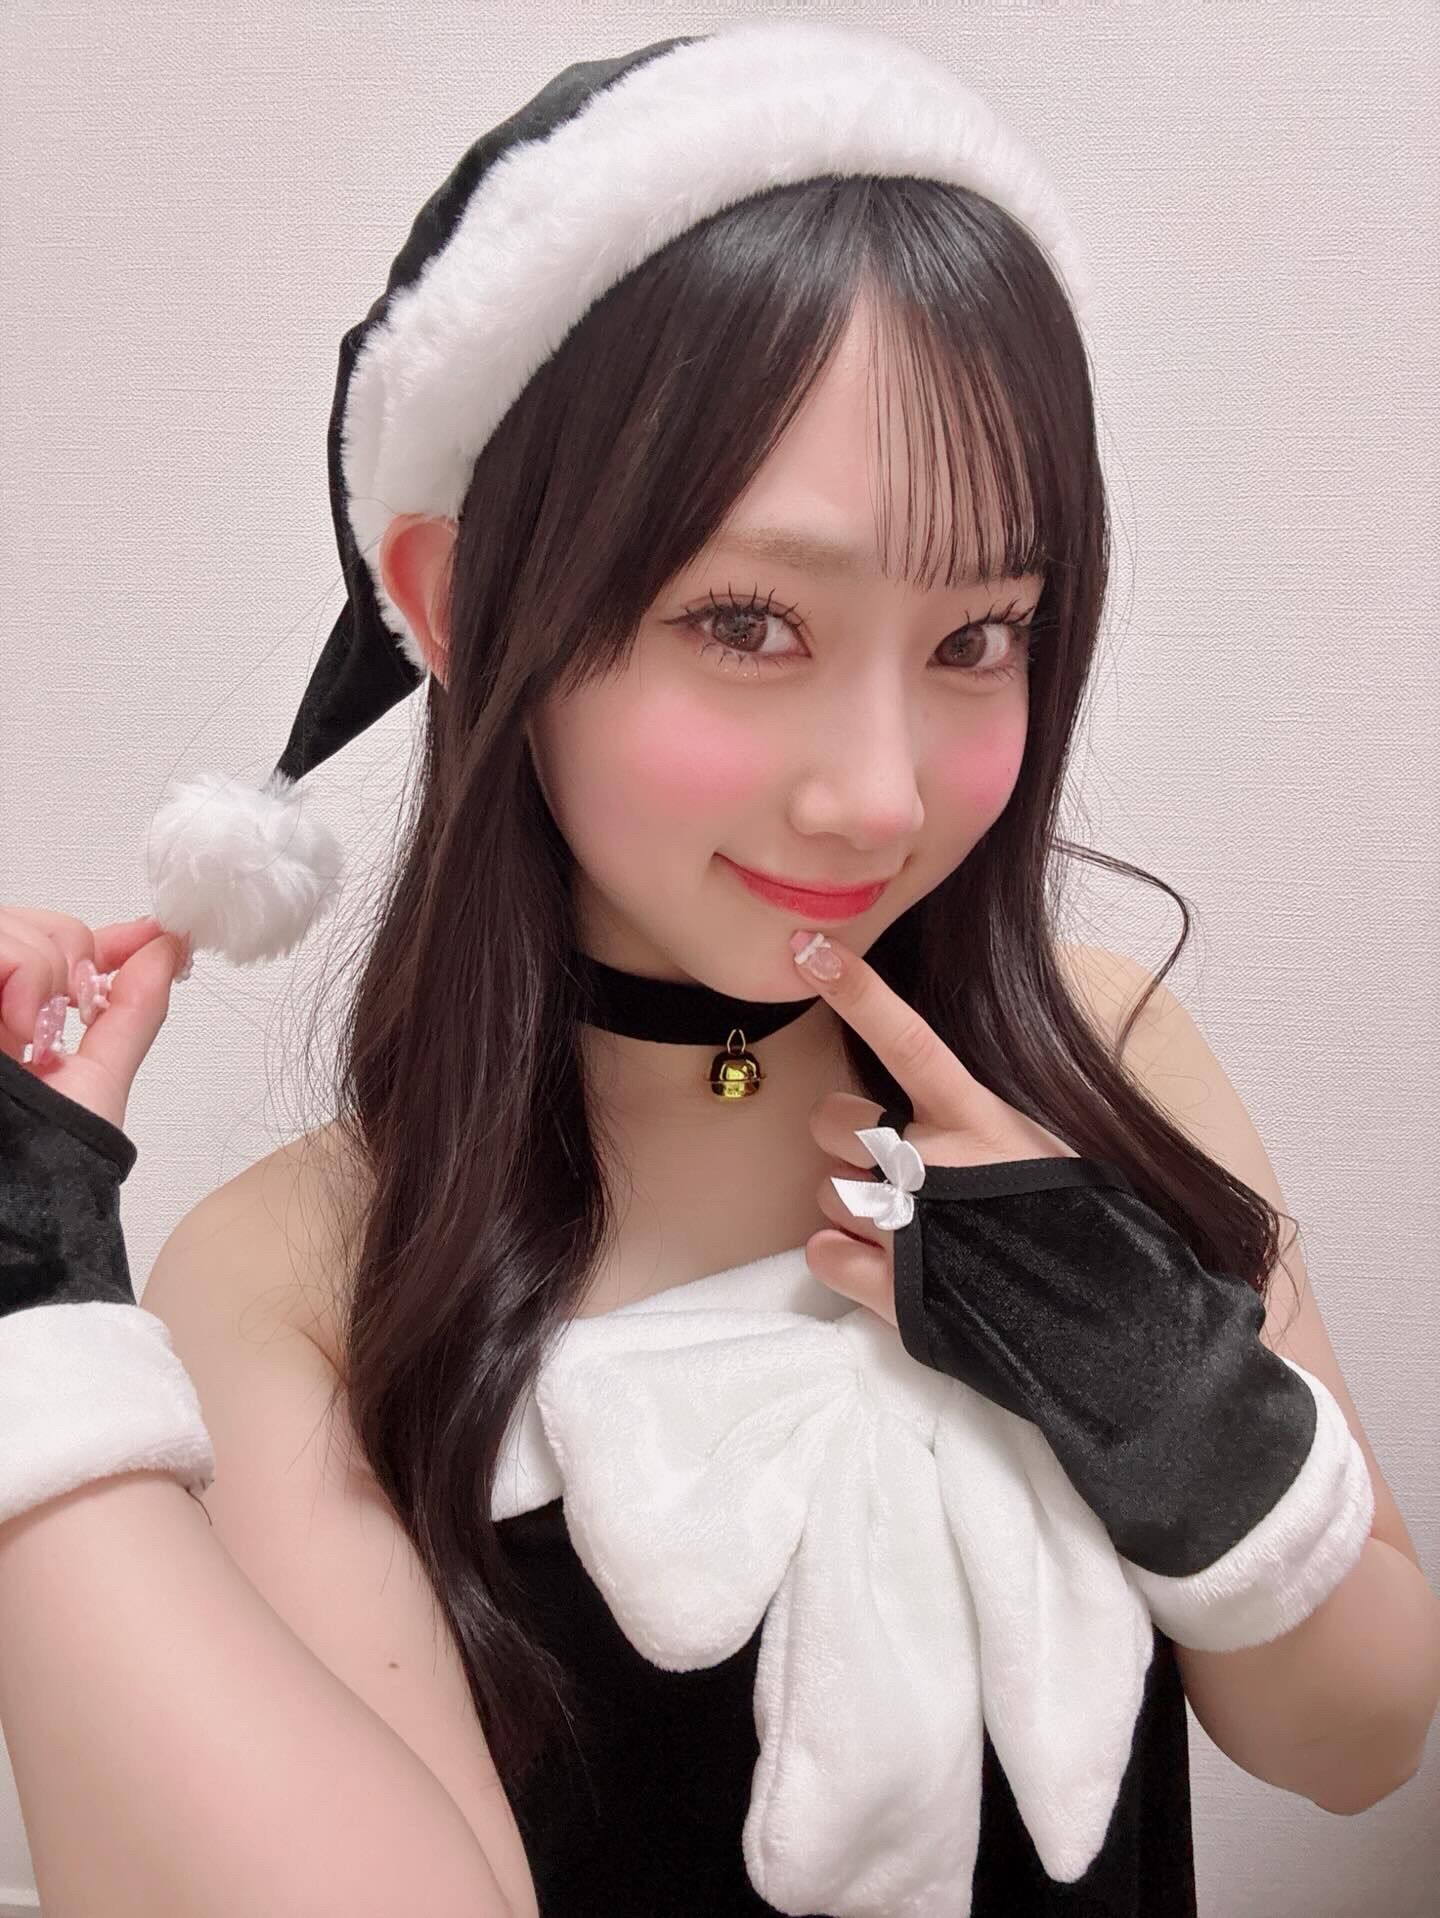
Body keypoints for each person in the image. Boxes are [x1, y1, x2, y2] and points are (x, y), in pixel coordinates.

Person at [0, 21, 1422, 1918]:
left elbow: (1361, 1738)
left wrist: (1158, 1386)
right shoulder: (304, 1277)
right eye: (749, 623)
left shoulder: (1105, 1052)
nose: (878, 792)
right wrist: (28, 1326)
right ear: (456, 602)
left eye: (979, 635)